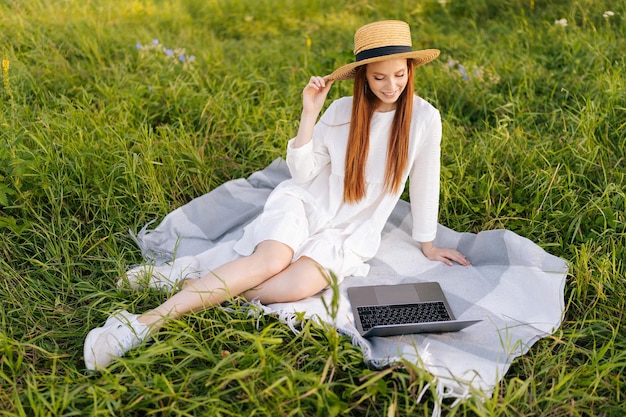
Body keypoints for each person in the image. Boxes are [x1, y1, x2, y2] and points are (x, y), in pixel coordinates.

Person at [84, 20, 470, 370]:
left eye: (399, 75)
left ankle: (197, 282)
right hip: (306, 203)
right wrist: (308, 113)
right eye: (379, 78)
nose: (390, 86)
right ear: (363, 77)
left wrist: (428, 243)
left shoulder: (424, 118)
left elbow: (425, 179)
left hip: (350, 231)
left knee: (297, 286)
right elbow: (302, 173)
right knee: (270, 260)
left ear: (411, 70)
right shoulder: (341, 110)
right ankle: (141, 323)